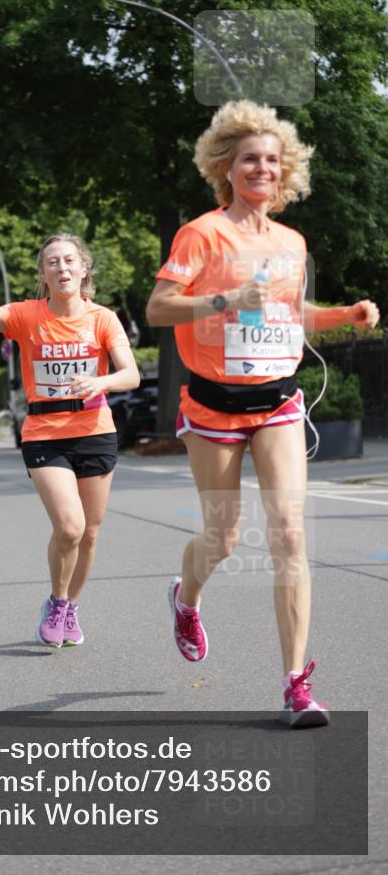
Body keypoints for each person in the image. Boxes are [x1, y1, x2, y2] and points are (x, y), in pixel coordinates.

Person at [146, 100, 380, 727]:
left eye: (273, 160)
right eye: (250, 158)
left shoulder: (291, 242)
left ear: (286, 171)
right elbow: (159, 310)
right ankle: (186, 595)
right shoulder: (202, 234)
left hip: (277, 400)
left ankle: (295, 684)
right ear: (226, 166)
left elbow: (289, 316)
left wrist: (342, 317)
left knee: (290, 534)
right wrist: (223, 297)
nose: (262, 168)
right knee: (222, 538)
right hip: (213, 405)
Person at [0, 226, 140, 649]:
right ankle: (57, 602)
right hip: (44, 435)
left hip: (95, 431)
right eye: (53, 262)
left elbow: (131, 374)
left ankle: (71, 606)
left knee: (90, 533)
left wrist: (101, 382)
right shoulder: (26, 315)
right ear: (43, 272)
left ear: (83, 268)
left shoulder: (103, 318)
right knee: (70, 527)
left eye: (69, 260)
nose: (62, 268)